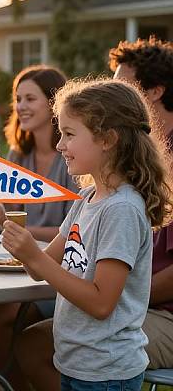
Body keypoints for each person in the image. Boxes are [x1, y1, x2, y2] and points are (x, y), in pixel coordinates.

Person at [16, 38, 173, 391]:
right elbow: (41, 266)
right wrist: (22, 247)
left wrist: (35, 261)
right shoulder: (87, 197)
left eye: (69, 134)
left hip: (108, 371)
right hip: (80, 363)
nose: (60, 146)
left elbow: (102, 302)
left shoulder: (122, 209)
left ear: (107, 139)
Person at [0, 65, 78, 390]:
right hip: (20, 266)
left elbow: (74, 230)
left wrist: (14, 227)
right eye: (17, 99)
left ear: (53, 103)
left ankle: (10, 383)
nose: (21, 106)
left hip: (60, 270)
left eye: (30, 98)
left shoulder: (74, 157)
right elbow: (10, 217)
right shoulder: (20, 153)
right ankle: (16, 383)